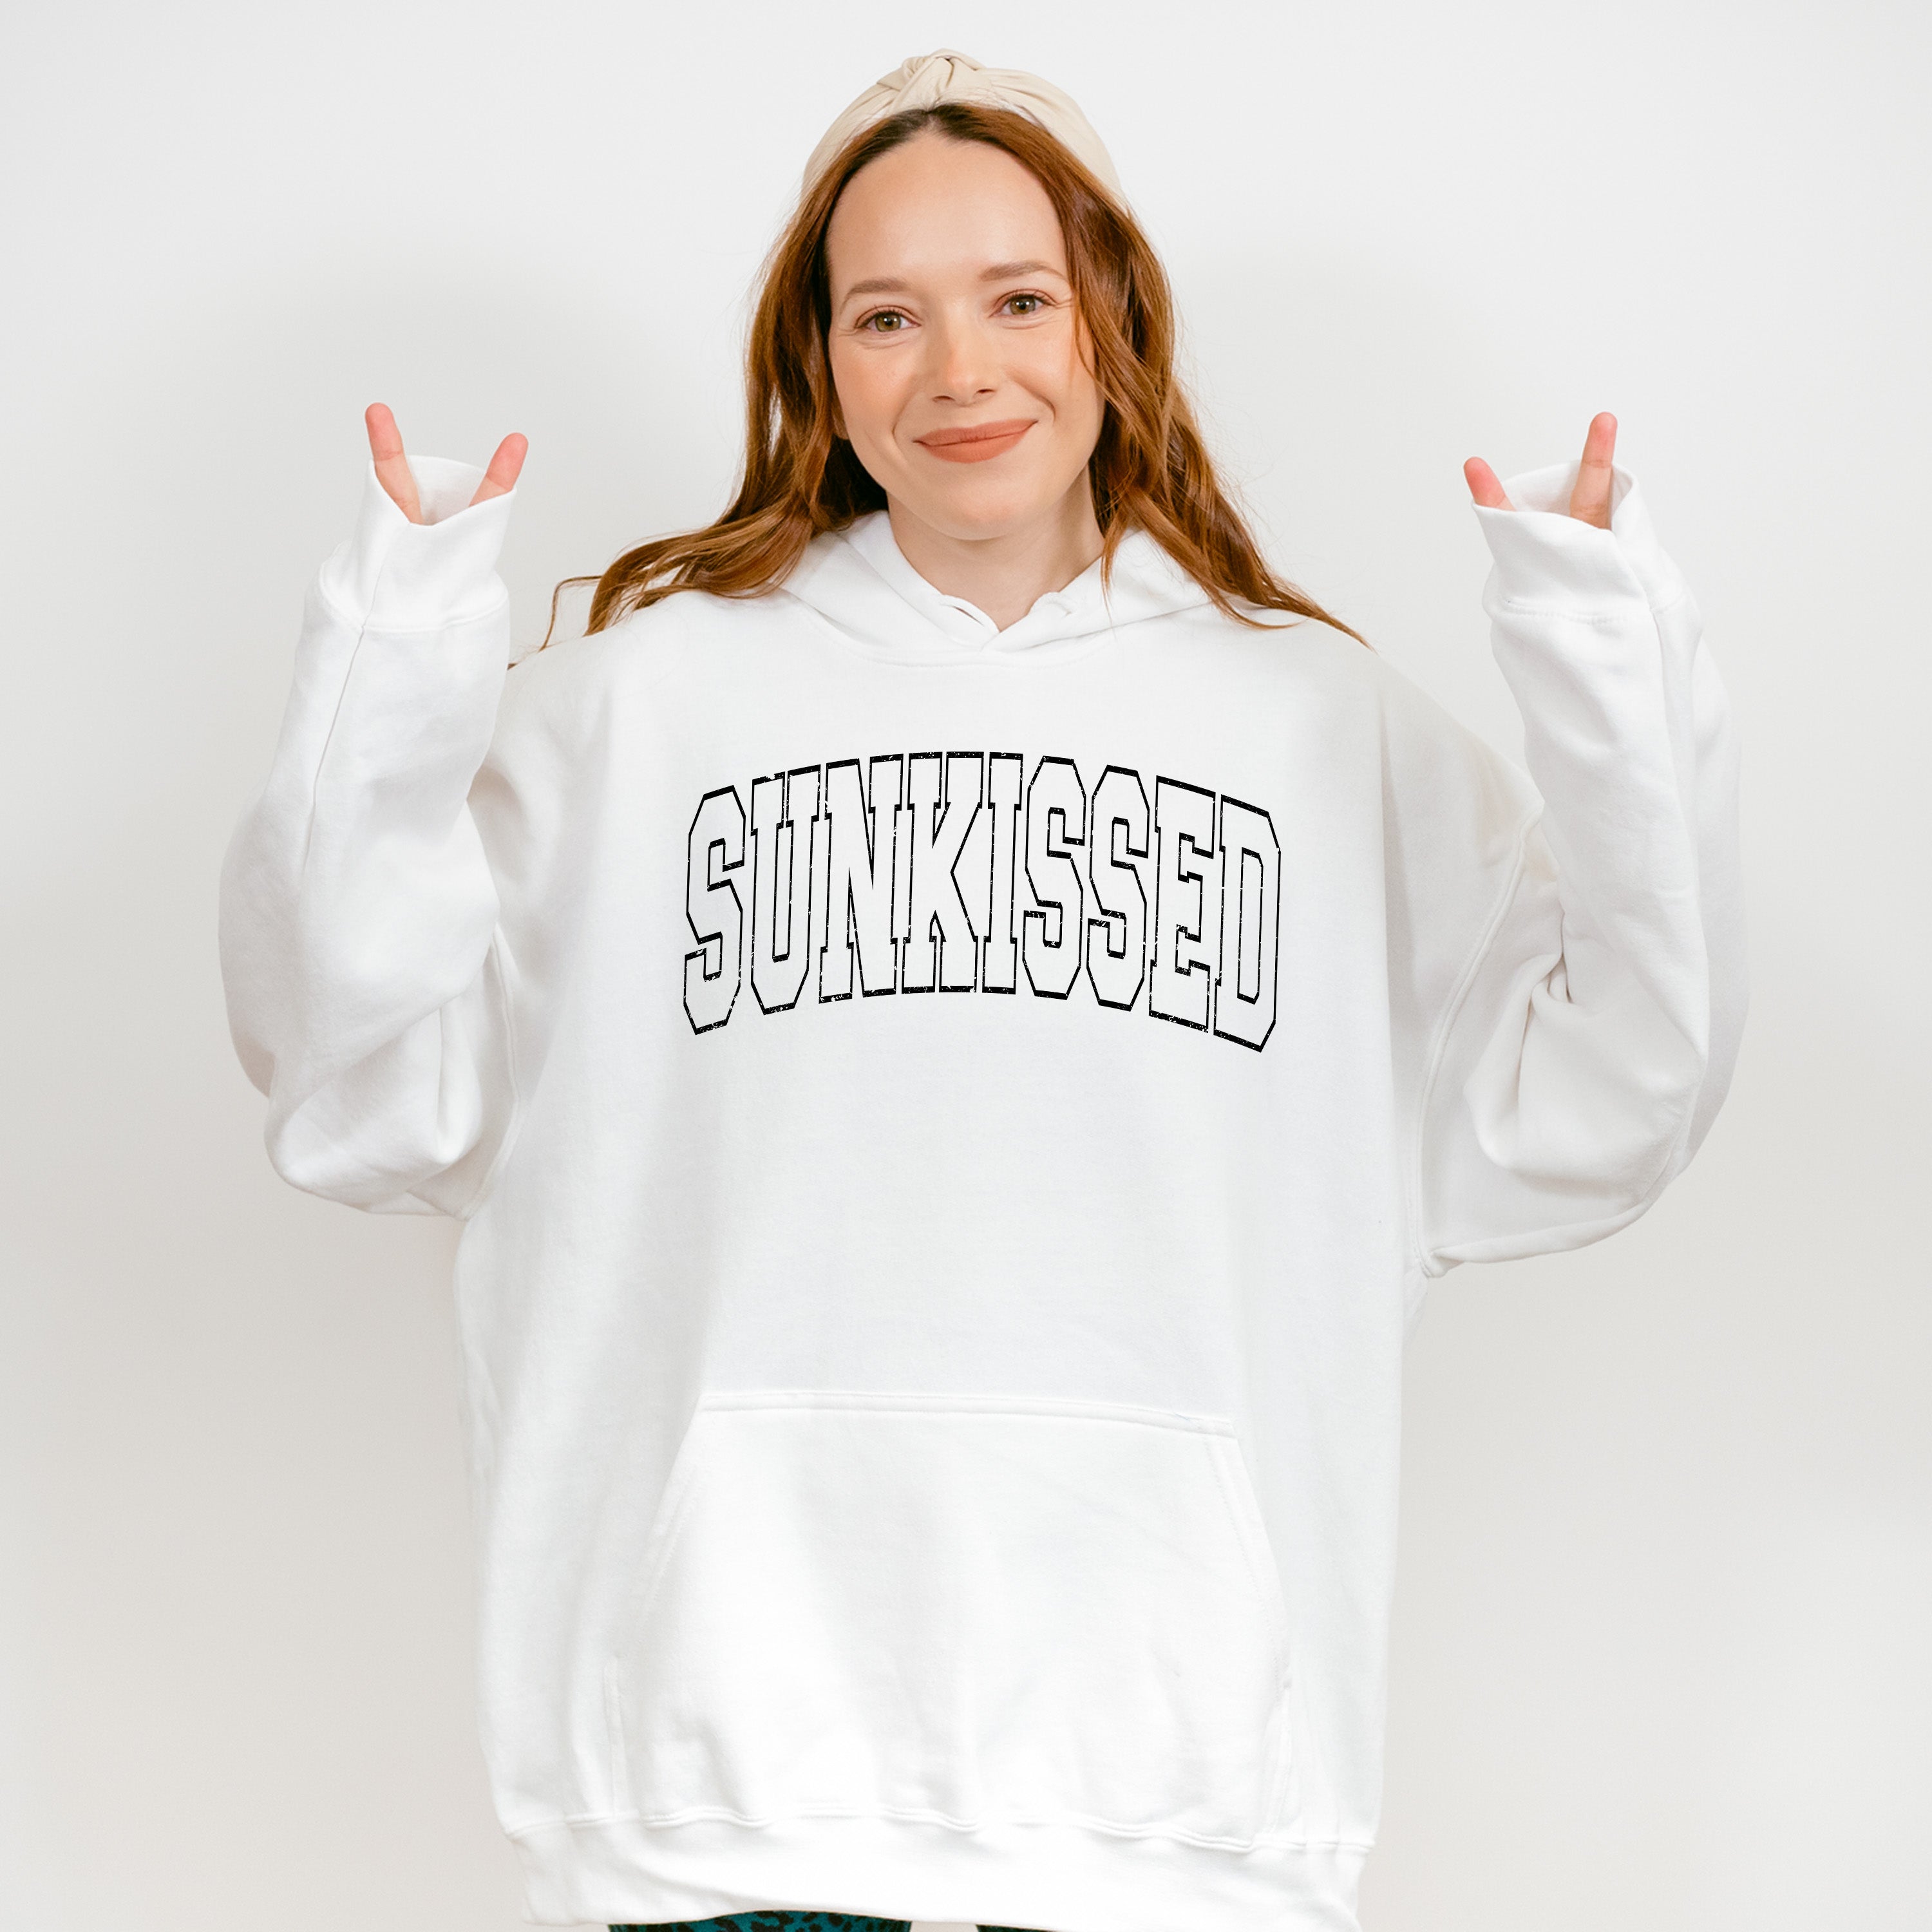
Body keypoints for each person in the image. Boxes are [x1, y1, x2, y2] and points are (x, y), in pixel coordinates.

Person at [218, 48, 1744, 1932]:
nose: (960, 370)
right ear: (819, 359)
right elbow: (353, 1088)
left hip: (1180, 1808)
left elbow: (1617, 1099)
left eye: (1019, 298)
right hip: (727, 1796)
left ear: (1111, 319)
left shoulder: (1323, 732)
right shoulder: (633, 716)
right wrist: (391, 659)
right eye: (889, 314)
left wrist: (1608, 659)